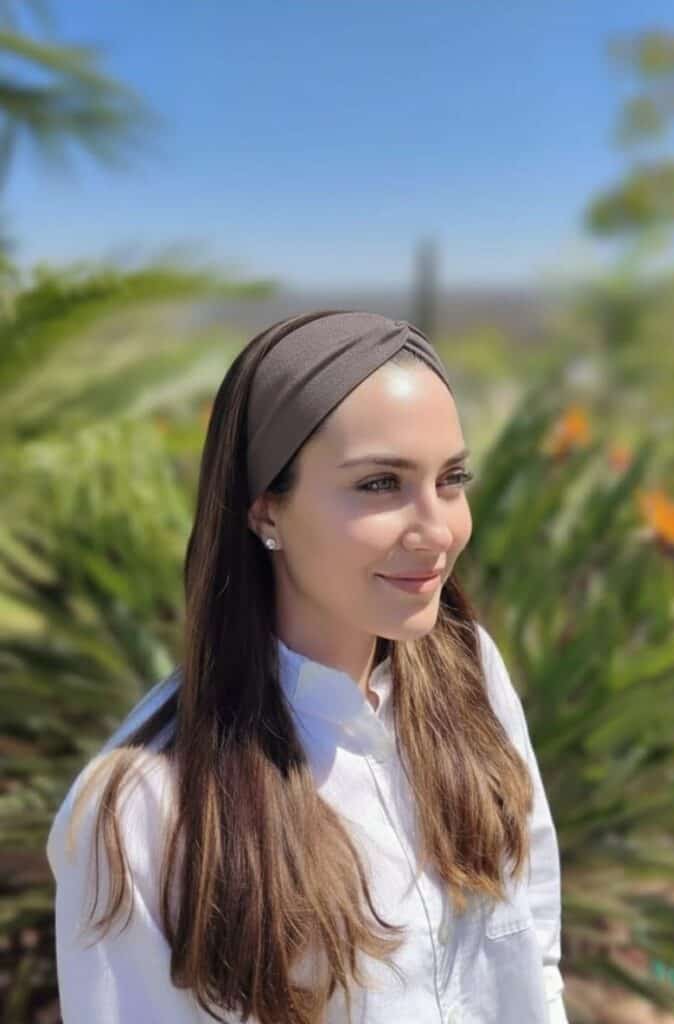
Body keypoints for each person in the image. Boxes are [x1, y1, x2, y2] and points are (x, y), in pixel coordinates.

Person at [46, 310, 570, 1024]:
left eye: (451, 479)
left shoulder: (468, 672)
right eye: (380, 483)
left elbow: (533, 946)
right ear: (266, 511)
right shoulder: (141, 812)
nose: (438, 529)